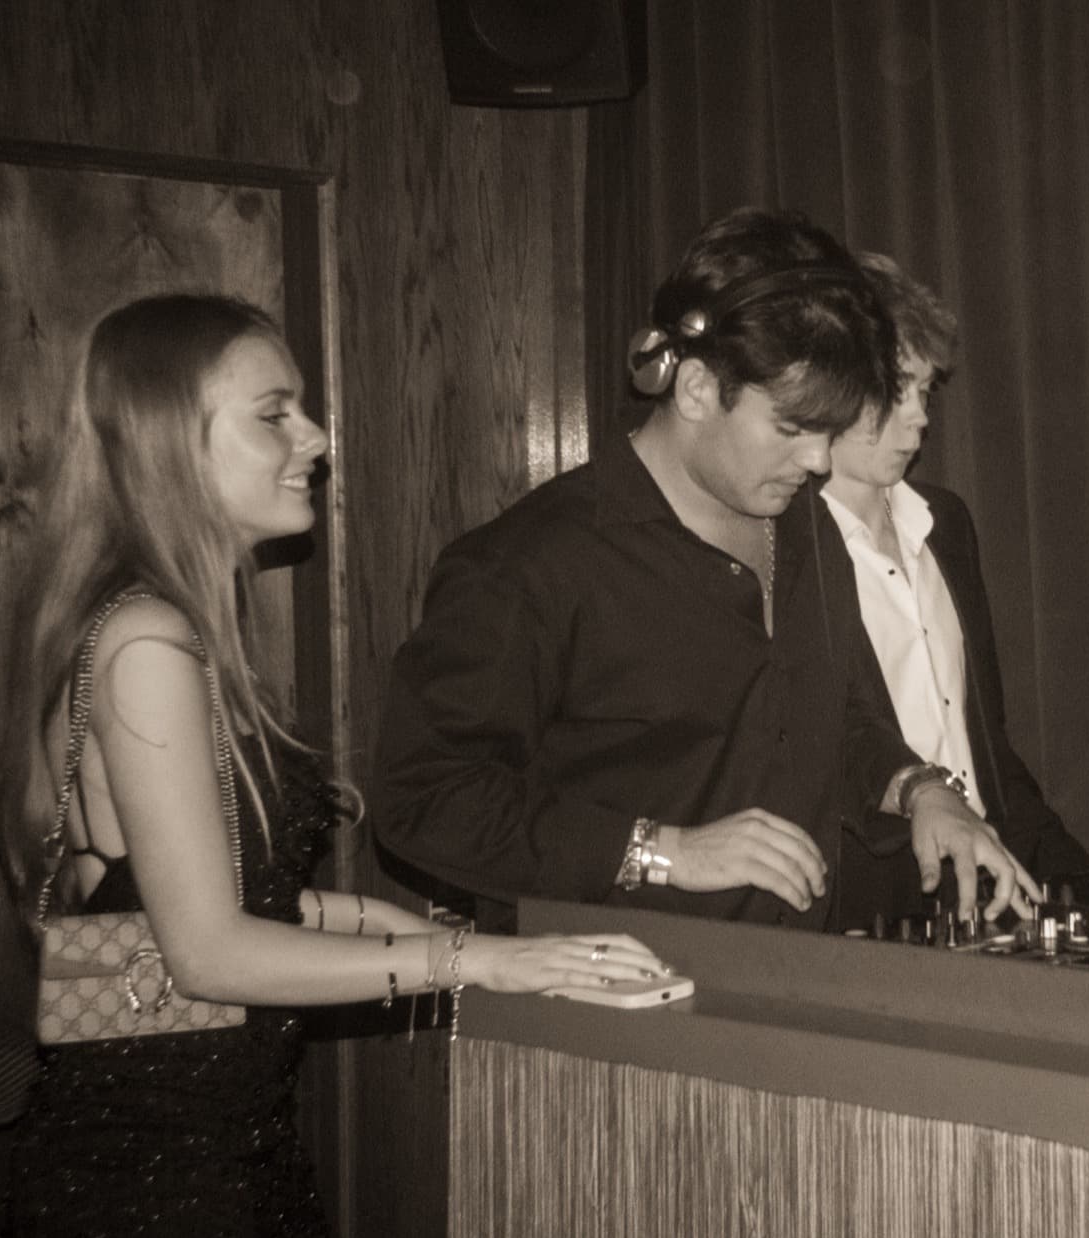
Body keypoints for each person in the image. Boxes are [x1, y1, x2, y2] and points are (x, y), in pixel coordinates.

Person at [0, 293, 664, 1238]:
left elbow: (183, 905)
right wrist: (471, 964)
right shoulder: (147, 641)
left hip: (219, 1151)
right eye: (274, 413)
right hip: (150, 1185)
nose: (313, 436)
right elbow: (209, 956)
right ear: (166, 442)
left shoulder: (164, 627)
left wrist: (409, 928)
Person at [371, 208, 1039, 935]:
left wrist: (916, 789)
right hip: (606, 1015)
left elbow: (825, 717)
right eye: (792, 428)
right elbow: (422, 797)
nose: (818, 461)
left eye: (830, 432)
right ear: (693, 389)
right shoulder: (532, 564)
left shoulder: (807, 528)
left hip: (786, 990)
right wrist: (660, 851)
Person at [821, 253, 1089, 925]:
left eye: (927, 391)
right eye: (900, 388)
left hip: (983, 881)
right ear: (833, 383)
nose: (920, 417)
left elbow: (984, 748)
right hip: (868, 903)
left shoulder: (946, 524)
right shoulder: (784, 547)